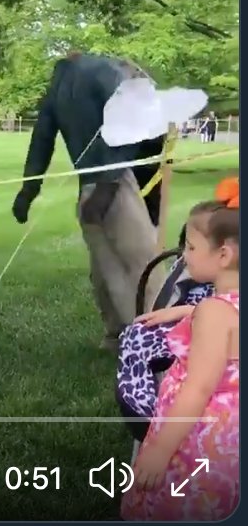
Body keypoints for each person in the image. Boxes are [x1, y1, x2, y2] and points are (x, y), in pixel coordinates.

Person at [11, 52, 165, 350]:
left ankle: (118, 334)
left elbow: (41, 140)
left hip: (90, 187)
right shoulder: (105, 71)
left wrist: (28, 191)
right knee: (143, 264)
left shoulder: (59, 85)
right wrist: (108, 186)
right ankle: (155, 338)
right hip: (114, 182)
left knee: (106, 267)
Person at [120, 177, 239, 521]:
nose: (184, 255)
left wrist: (159, 450)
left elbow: (197, 389)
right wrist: (185, 310)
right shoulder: (225, 308)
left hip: (195, 438)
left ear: (223, 254)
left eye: (189, 246)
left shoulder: (214, 314)